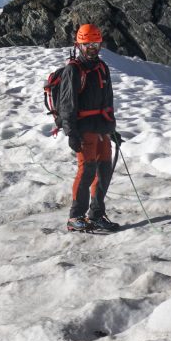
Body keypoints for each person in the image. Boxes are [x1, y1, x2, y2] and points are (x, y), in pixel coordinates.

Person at [55, 23, 122, 233]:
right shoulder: (73, 70)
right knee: (87, 171)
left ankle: (96, 214)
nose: (92, 48)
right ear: (79, 45)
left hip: (101, 128)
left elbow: (108, 100)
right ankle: (75, 216)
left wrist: (112, 128)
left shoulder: (102, 68)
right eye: (87, 44)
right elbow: (67, 104)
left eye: (95, 44)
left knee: (104, 171)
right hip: (83, 128)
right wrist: (71, 133)